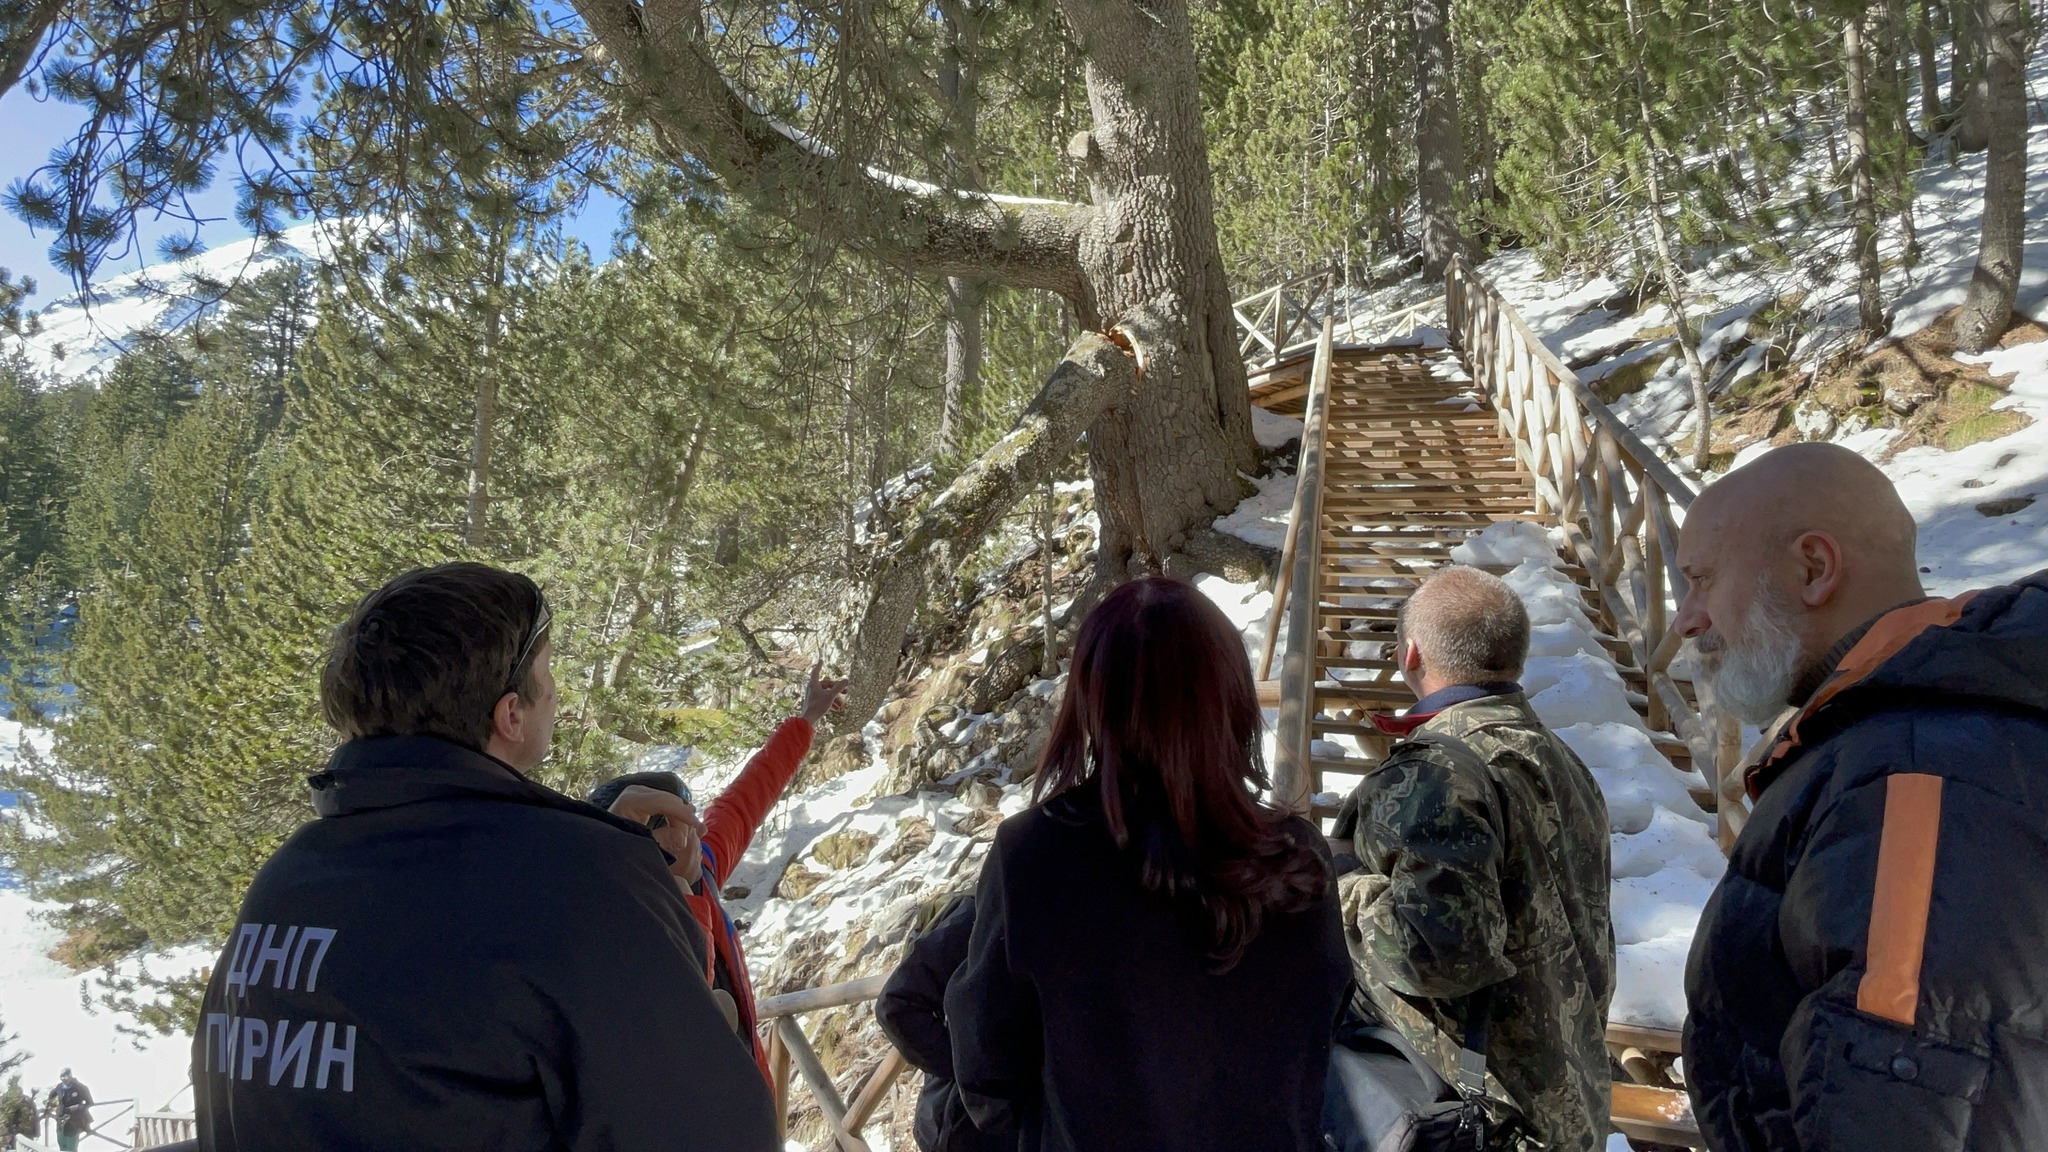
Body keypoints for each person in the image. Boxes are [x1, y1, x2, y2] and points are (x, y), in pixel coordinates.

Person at [191, 562, 776, 1152]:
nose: (556, 693)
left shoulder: (285, 884)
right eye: (547, 674)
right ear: (511, 714)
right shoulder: (575, 883)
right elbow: (716, 1132)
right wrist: (616, 883)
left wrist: (604, 862)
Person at [1676, 442, 2048, 1152]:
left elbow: (1921, 1109)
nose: (1686, 620)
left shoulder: (1918, 772)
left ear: (1813, 569)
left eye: (1701, 580)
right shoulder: (1912, 739)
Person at [946, 575, 1349, 1152]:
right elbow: (1322, 1025)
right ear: (1229, 696)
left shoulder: (1034, 853)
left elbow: (985, 1063)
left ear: (1091, 701)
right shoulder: (1298, 853)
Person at [1330, 565, 1613, 1152]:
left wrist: (1342, 886)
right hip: (1567, 1100)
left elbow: (1434, 956)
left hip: (1475, 1119)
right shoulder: (1560, 759)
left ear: (1411, 654)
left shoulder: (1431, 774)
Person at [589, 663, 847, 1082]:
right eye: (657, 821)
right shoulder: (609, 923)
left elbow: (749, 795)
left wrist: (806, 720)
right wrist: (676, 886)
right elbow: (682, 1001)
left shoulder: (703, 865)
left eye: (681, 812)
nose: (682, 827)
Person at [875, 893, 1014, 1152]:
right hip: (962, 1127)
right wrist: (971, 1069)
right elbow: (896, 1005)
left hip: (1006, 1123)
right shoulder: (986, 912)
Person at [48, 1070, 90, 1151]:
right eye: (62, 1077)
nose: (64, 1079)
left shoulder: (80, 1087)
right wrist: (53, 1105)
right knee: (62, 1144)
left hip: (74, 1120)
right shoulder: (59, 1087)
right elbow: (51, 1097)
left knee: (72, 1146)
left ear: (70, 1076)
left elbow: (89, 1103)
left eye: (66, 1076)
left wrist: (77, 1107)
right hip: (61, 1119)